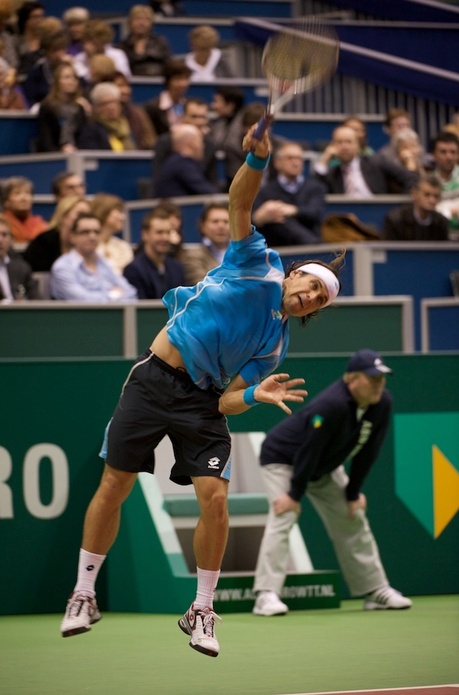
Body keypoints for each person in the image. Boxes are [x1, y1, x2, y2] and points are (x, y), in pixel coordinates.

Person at [59, 125, 344, 659]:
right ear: (295, 274)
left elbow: (224, 403)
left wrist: (256, 396)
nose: (308, 297)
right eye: (309, 285)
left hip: (201, 402)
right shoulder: (255, 262)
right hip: (154, 379)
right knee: (115, 484)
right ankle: (83, 593)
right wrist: (257, 158)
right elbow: (240, 199)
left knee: (215, 502)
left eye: (318, 301)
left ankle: (203, 610)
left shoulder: (273, 345)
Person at [252, 348, 413, 617]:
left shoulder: (381, 402)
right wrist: (293, 495)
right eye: (371, 378)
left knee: (353, 517)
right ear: (351, 379)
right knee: (284, 515)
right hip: (282, 458)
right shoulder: (331, 405)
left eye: (381, 378)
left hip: (323, 465)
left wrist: (353, 494)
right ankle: (266, 595)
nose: (378, 384)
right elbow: (308, 450)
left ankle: (375, 590)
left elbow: (369, 450)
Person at [252, 140, 327, 246]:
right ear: (277, 163)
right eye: (290, 158)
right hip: (279, 249)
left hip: (311, 246)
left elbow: (315, 212)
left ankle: (313, 244)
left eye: (299, 158)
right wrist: (258, 218)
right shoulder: (265, 191)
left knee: (279, 213)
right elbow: (254, 220)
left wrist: (293, 210)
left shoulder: (315, 187)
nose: (295, 163)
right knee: (277, 214)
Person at [50, 212, 137, 301]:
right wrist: (113, 295)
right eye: (85, 232)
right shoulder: (63, 267)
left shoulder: (103, 262)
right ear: (73, 237)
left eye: (96, 232)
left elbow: (131, 293)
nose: (92, 237)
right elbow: (83, 301)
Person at [314, 125, 418, 196]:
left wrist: (402, 204)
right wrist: (324, 159)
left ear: (357, 145)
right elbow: (314, 192)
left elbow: (411, 178)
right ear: (333, 146)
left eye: (348, 142)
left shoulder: (377, 162)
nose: (344, 146)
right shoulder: (332, 173)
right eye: (339, 142)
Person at [152, 97, 217, 193]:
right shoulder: (165, 142)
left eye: (203, 117)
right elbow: (158, 179)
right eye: (194, 117)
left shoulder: (209, 145)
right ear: (183, 117)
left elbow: (212, 181)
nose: (199, 122)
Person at [123, 204, 186, 298]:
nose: (164, 237)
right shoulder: (134, 270)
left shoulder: (177, 268)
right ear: (145, 234)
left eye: (168, 232)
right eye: (159, 232)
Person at [23, 194, 90, 271]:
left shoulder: (89, 242)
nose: (85, 219)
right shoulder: (44, 242)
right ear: (63, 216)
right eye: (80, 214)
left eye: (88, 215)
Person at [153, 123, 218, 197]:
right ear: (191, 143)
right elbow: (209, 193)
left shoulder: (175, 161)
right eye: (200, 141)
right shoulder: (182, 165)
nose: (203, 147)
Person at [36, 61, 89, 152]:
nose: (72, 81)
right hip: (54, 155)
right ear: (57, 81)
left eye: (74, 78)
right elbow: (46, 140)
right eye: (67, 77)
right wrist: (61, 151)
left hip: (77, 153)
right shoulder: (47, 107)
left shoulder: (79, 108)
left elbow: (84, 137)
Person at [382, 175, 449, 241]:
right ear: (414, 194)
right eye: (427, 195)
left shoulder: (442, 223)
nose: (432, 200)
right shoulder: (395, 221)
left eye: (436, 196)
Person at [179, 202, 230, 285]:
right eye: (215, 221)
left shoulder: (244, 254)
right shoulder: (192, 256)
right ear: (203, 226)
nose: (221, 226)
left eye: (226, 222)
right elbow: (204, 286)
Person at [77, 82, 137, 151]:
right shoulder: (90, 132)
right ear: (96, 108)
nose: (111, 107)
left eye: (114, 102)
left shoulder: (127, 126)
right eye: (105, 103)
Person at [21, 29, 70, 108]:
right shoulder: (37, 70)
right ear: (46, 52)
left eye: (62, 49)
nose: (59, 54)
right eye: (55, 50)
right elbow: (30, 98)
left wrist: (72, 66)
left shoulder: (71, 68)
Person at [119, 4, 171, 77]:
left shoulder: (160, 43)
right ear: (130, 23)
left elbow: (169, 66)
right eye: (137, 19)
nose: (141, 23)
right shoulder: (123, 46)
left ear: (151, 24)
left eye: (146, 20)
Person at [73, 18, 131, 83]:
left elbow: (123, 77)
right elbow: (85, 79)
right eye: (86, 40)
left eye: (93, 41)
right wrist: (90, 58)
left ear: (103, 41)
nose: (88, 45)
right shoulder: (79, 58)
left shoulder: (118, 55)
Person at [144, 59, 191, 137]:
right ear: (168, 81)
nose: (183, 84)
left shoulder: (189, 105)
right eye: (178, 79)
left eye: (185, 79)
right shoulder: (152, 108)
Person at [90, 193, 134, 275]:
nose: (123, 217)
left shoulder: (123, 247)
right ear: (103, 212)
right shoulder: (88, 247)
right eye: (119, 212)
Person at [0, 213, 40, 300]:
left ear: (11, 239)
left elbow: (37, 301)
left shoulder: (21, 268)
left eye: (4, 235)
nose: (0, 240)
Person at [113, 71, 156, 150]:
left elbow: (150, 139)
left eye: (126, 86)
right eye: (119, 86)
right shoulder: (103, 116)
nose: (125, 90)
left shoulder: (138, 112)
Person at [430, 131, 459, 239]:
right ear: (434, 155)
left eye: (453, 152)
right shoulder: (427, 182)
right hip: (437, 239)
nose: (449, 157)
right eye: (443, 152)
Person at [0, 176, 48, 243]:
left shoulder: (41, 225)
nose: (24, 198)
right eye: (17, 193)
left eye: (27, 193)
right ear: (6, 201)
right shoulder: (2, 223)